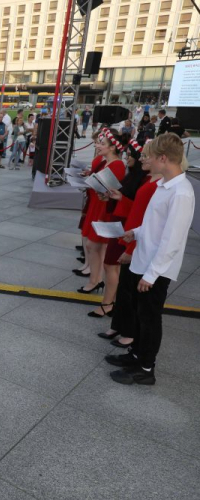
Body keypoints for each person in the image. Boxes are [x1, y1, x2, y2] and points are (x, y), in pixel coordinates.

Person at [109, 133, 195, 385]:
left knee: (149, 318)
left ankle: (146, 368)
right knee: (138, 314)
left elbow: (172, 240)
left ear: (164, 158)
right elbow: (153, 224)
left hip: (155, 269)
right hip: (143, 260)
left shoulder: (181, 192)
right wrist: (134, 232)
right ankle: (136, 355)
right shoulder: (163, 186)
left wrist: (152, 274)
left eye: (150, 157)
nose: (146, 160)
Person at [100, 139, 160, 347]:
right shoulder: (148, 180)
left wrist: (131, 247)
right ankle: (119, 325)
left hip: (135, 240)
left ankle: (130, 334)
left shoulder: (158, 185)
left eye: (145, 156)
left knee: (132, 293)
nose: (141, 158)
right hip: (130, 235)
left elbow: (147, 220)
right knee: (125, 289)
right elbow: (137, 210)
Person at [88, 139, 147, 319]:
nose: (127, 158)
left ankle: (108, 303)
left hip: (127, 228)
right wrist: (112, 198)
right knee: (111, 265)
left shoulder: (143, 180)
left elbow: (139, 209)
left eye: (131, 155)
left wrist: (119, 199)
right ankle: (111, 302)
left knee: (111, 265)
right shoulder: (134, 176)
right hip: (121, 223)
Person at [78, 130, 126, 296]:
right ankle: (95, 279)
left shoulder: (117, 165)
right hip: (96, 206)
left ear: (112, 148)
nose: (98, 145)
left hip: (103, 209)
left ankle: (96, 280)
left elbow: (111, 191)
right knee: (93, 246)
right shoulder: (105, 162)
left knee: (95, 246)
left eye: (102, 144)